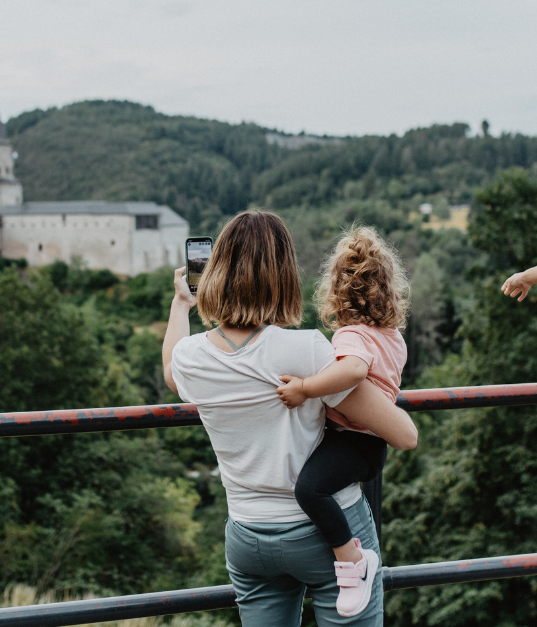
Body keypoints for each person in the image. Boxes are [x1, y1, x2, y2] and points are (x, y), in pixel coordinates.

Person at [162, 210, 417, 626]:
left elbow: (171, 369)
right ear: (283, 275)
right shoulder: (309, 351)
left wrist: (181, 303)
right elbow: (403, 434)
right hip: (324, 534)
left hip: (247, 537)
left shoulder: (193, 358)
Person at [274, 226, 412, 617]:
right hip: (370, 445)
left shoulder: (352, 336)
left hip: (353, 441)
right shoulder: (392, 336)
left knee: (309, 490)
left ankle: (352, 560)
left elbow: (352, 372)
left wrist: (305, 388)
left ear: (336, 292)